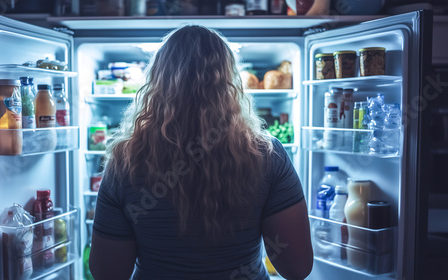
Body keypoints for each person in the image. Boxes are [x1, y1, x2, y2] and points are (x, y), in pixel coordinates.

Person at [90, 25, 313, 280]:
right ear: (230, 83)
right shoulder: (266, 155)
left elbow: (107, 274)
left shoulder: (125, 161)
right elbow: (297, 267)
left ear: (156, 83)